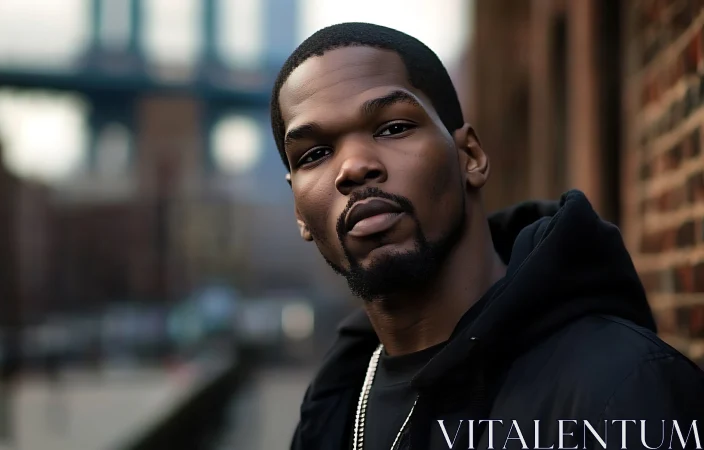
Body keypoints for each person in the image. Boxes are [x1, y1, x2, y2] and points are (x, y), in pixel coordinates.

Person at [270, 22, 704, 450]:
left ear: (470, 157)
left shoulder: (623, 389)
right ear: (299, 214)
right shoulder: (332, 408)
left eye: (393, 127)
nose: (352, 167)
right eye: (315, 154)